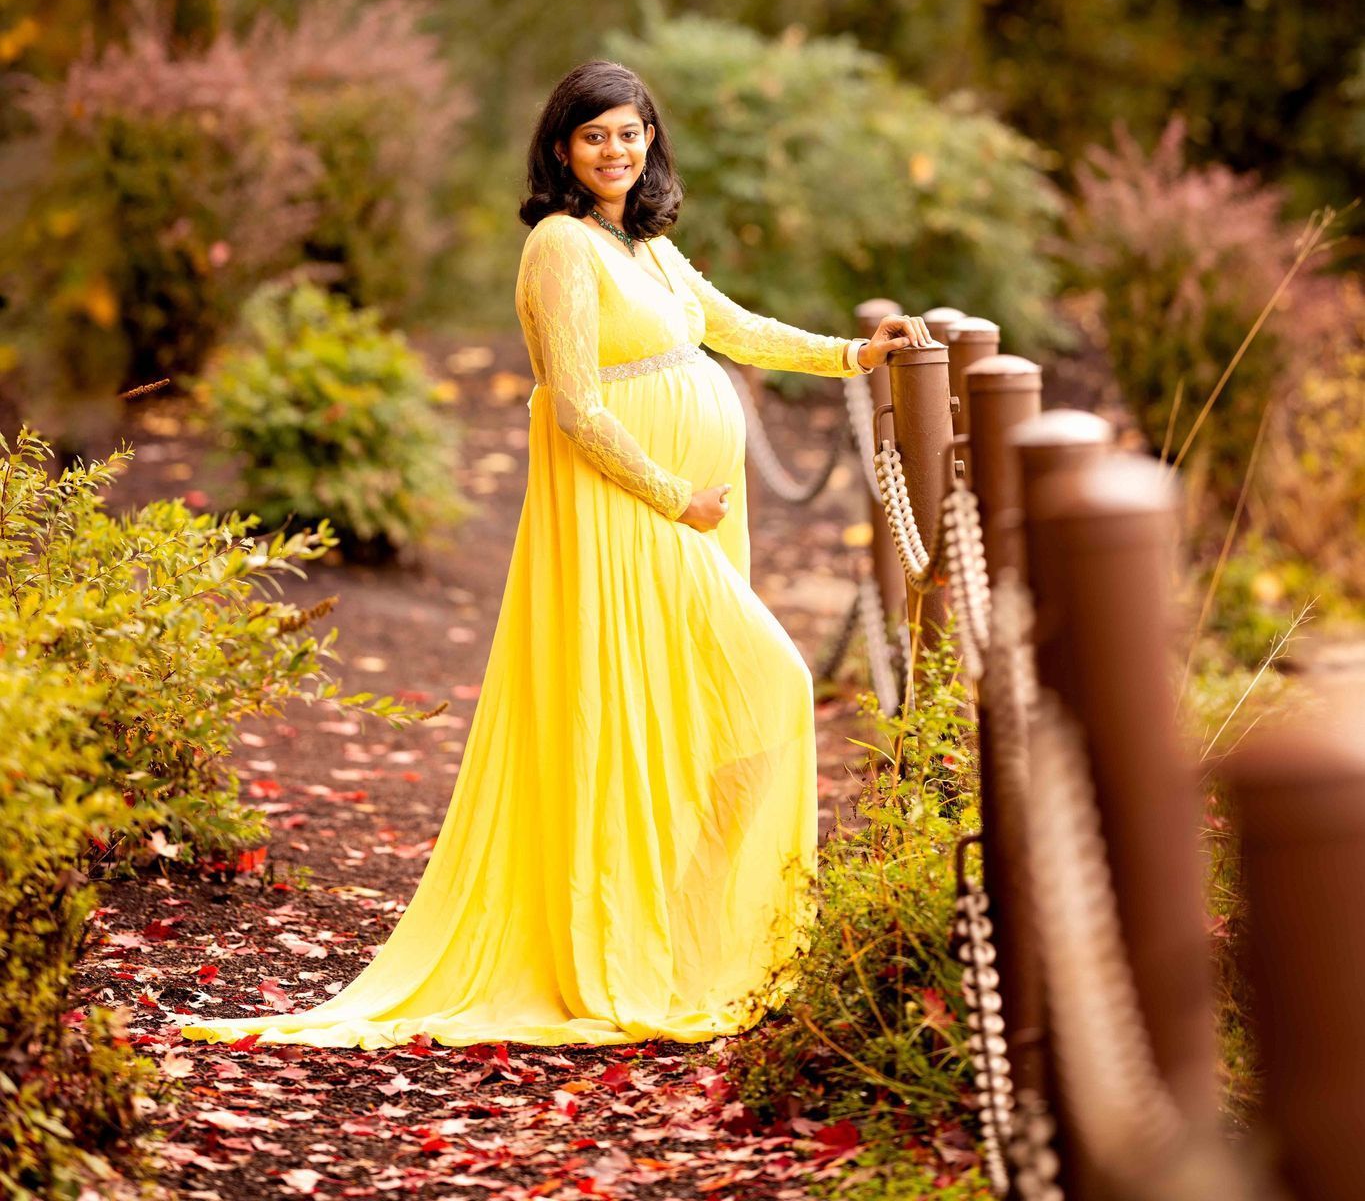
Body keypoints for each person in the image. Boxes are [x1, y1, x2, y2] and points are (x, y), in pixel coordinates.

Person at [181, 58, 930, 1052]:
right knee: (770, 688)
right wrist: (674, 495)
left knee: (715, 710)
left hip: (681, 515)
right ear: (562, 148)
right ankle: (641, 938)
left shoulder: (646, 243)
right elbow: (574, 403)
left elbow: (736, 326)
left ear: (651, 137)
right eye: (596, 135)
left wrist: (851, 354)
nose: (617, 149)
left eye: (631, 130)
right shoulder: (560, 246)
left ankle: (681, 930)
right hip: (629, 516)